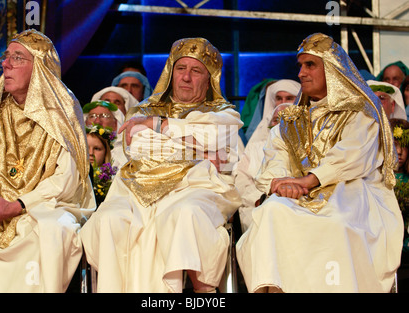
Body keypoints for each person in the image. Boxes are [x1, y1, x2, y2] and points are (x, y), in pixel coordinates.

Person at [236, 33, 404, 293]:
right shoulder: (291, 121)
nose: (301, 73)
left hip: (352, 191)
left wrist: (308, 180)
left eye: (310, 65)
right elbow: (276, 158)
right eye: (300, 66)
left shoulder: (361, 111)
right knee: (272, 212)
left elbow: (352, 155)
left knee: (337, 222)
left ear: (333, 70)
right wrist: (281, 184)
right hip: (297, 194)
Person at [80, 37, 243, 293]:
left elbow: (216, 137)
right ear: (171, 72)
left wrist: (160, 126)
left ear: (209, 77)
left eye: (196, 70)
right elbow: (139, 146)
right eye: (181, 69)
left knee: (183, 214)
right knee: (111, 219)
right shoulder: (144, 110)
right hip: (136, 187)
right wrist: (194, 144)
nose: (186, 77)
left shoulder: (224, 112)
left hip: (194, 187)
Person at [0, 29, 96, 292]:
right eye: (6, 56)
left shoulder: (63, 113)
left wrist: (18, 205)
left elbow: (67, 180)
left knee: (51, 229)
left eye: (18, 57)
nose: (6, 64)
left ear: (41, 68)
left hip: (48, 205)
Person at [234, 102, 293, 233]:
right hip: (254, 203)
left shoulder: (303, 151)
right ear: (270, 123)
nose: (281, 123)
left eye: (287, 118)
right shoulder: (255, 148)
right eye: (277, 119)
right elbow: (241, 181)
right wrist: (257, 199)